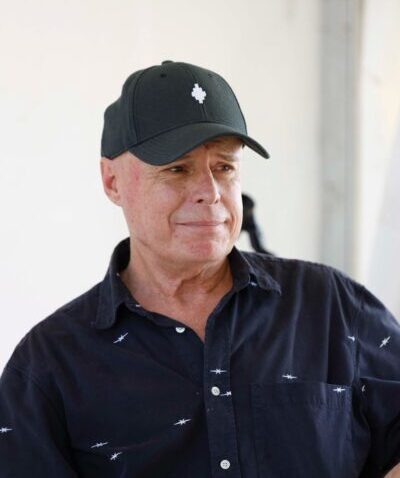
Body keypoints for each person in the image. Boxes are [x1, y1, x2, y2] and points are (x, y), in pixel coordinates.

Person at [0, 60, 399, 478]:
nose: (210, 193)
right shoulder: (50, 364)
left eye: (224, 167)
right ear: (112, 181)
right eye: (177, 169)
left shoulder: (330, 305)